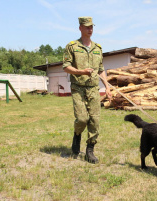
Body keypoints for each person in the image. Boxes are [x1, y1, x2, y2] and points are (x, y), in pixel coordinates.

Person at [62, 16, 112, 164]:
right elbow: (66, 67)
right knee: (82, 119)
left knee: (95, 120)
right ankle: (77, 135)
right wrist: (81, 72)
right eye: (87, 27)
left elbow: (101, 70)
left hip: (93, 88)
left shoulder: (98, 48)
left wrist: (107, 87)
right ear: (80, 28)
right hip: (78, 87)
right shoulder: (72, 46)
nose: (90, 29)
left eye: (92, 27)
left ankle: (90, 150)